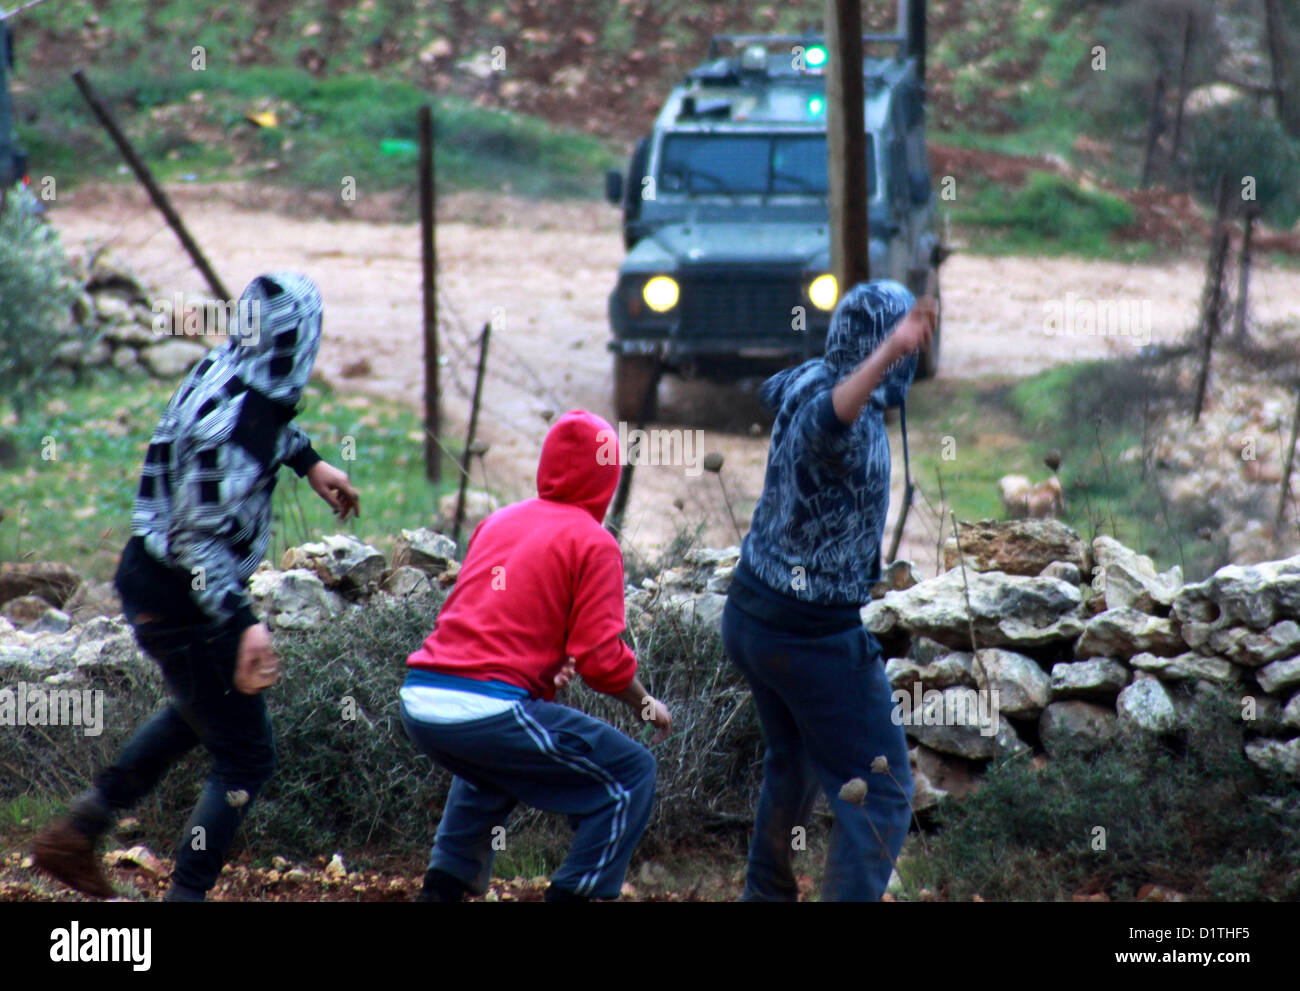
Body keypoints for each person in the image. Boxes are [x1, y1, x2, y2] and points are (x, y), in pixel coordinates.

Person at [33, 271, 360, 902]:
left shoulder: (226, 368)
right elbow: (199, 540)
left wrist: (309, 461)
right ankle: (183, 893)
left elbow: (262, 433)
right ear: (300, 341)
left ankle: (77, 831)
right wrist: (243, 627)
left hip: (149, 579)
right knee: (246, 757)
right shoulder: (239, 428)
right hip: (186, 600)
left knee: (196, 710)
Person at [400, 409, 671, 903]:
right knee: (631, 775)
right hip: (486, 706)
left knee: (495, 767)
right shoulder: (595, 543)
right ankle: (577, 893)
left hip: (421, 699)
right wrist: (644, 702)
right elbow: (600, 660)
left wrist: (542, 670)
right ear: (606, 480)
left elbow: (493, 624)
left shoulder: (497, 522)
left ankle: (441, 889)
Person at [720, 279, 935, 901]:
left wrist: (855, 356)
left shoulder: (806, 379)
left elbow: (778, 388)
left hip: (751, 617)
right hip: (809, 635)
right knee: (885, 787)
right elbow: (827, 421)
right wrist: (891, 347)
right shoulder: (843, 420)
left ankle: (765, 897)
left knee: (792, 762)